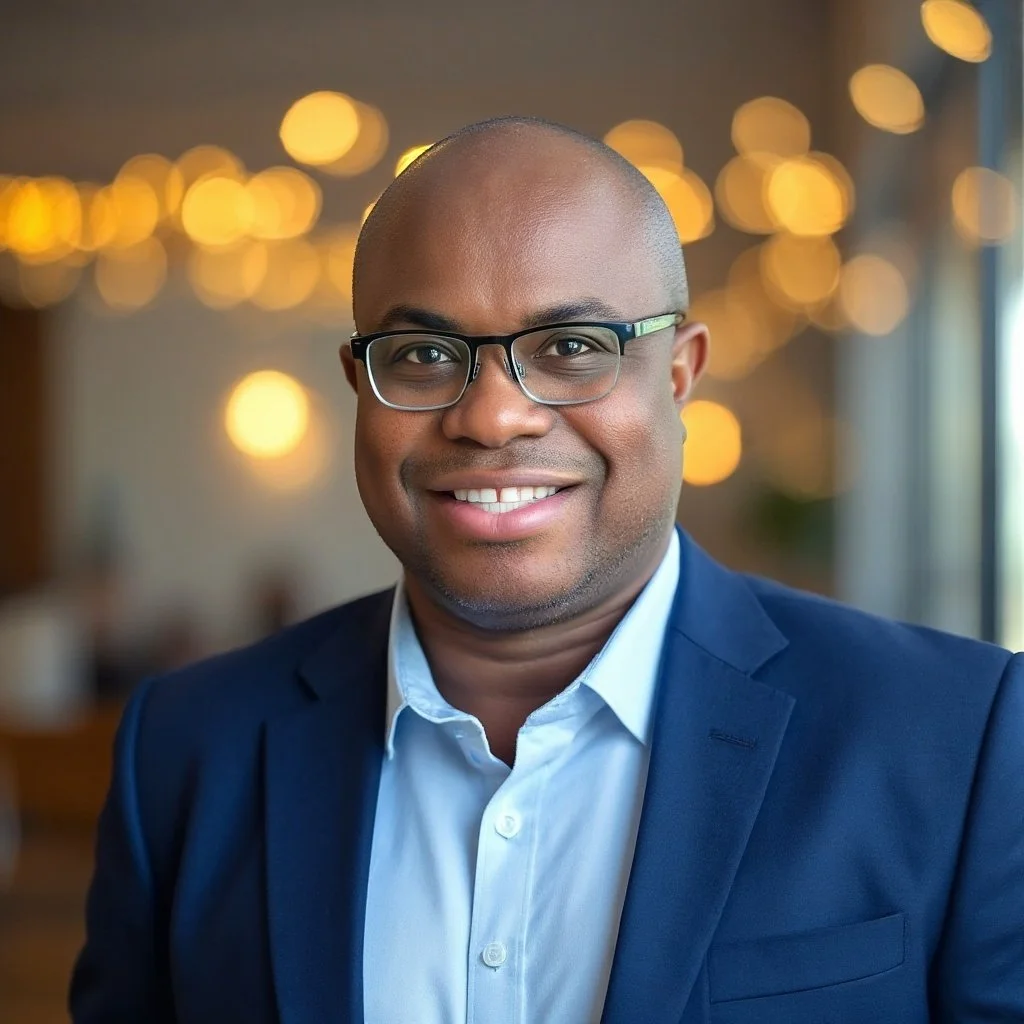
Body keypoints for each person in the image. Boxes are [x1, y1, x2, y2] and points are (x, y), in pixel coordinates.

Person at [70, 118, 1023, 1023]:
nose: (491, 418)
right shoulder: (186, 752)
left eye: (571, 348)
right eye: (423, 353)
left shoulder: (960, 739)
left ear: (681, 375)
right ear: (360, 384)